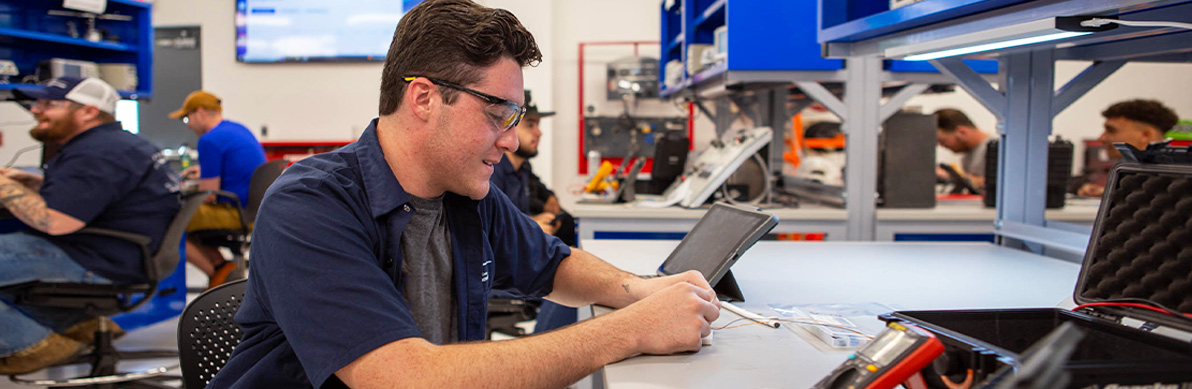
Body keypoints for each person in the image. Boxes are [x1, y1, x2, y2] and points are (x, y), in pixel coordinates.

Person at [208, 1, 720, 387]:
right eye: (498, 114)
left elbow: (554, 266)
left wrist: (642, 291)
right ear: (426, 98)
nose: (512, 139)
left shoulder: (466, 195)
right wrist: (630, 330)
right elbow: (401, 377)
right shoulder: (310, 205)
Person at [0, 77, 180, 374]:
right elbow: (106, 193)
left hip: (93, 257)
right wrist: (40, 182)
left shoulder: (98, 152)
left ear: (88, 111)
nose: (36, 110)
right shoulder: (118, 144)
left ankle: (29, 346)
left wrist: (5, 185)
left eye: (49, 104)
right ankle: (72, 327)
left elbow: (55, 222)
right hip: (120, 254)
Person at [489, 90, 579, 334]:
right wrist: (530, 225)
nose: (538, 132)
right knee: (574, 289)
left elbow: (544, 196)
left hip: (524, 260)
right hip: (503, 275)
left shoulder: (522, 170)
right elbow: (486, 232)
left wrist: (548, 203)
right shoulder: (491, 174)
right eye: (530, 125)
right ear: (507, 126)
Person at [168, 91, 266, 288]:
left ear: (200, 112)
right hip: (253, 211)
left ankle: (218, 274)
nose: (188, 125)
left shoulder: (209, 140)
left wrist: (191, 187)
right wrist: (204, 172)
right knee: (189, 224)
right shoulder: (237, 129)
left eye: (187, 118)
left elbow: (208, 195)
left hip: (234, 212)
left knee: (169, 223)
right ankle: (223, 267)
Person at [1076, 99, 1177, 197]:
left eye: (1111, 130)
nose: (1102, 138)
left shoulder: (1174, 176)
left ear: (1146, 135)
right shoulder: (1124, 167)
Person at [934, 108, 991, 188]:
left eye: (942, 140)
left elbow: (999, 184)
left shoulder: (996, 149)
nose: (941, 146)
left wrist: (951, 177)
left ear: (962, 132)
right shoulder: (967, 155)